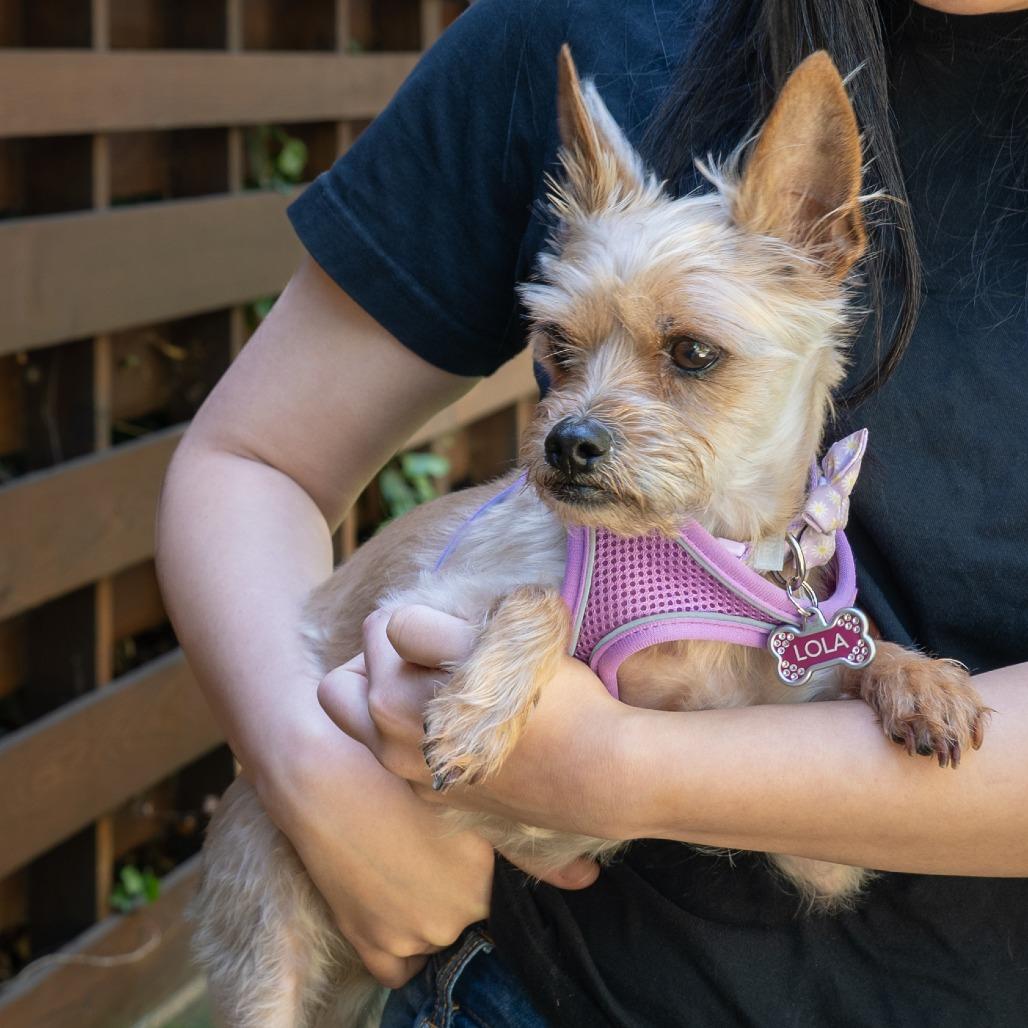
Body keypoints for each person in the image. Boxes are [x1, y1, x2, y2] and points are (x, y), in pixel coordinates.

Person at [156, 0, 1028, 1024]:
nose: (576, 420)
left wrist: (617, 771)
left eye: (689, 357)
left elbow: (818, 850)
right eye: (562, 359)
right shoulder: (583, 21)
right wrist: (303, 762)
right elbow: (250, 458)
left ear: (826, 238)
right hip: (495, 985)